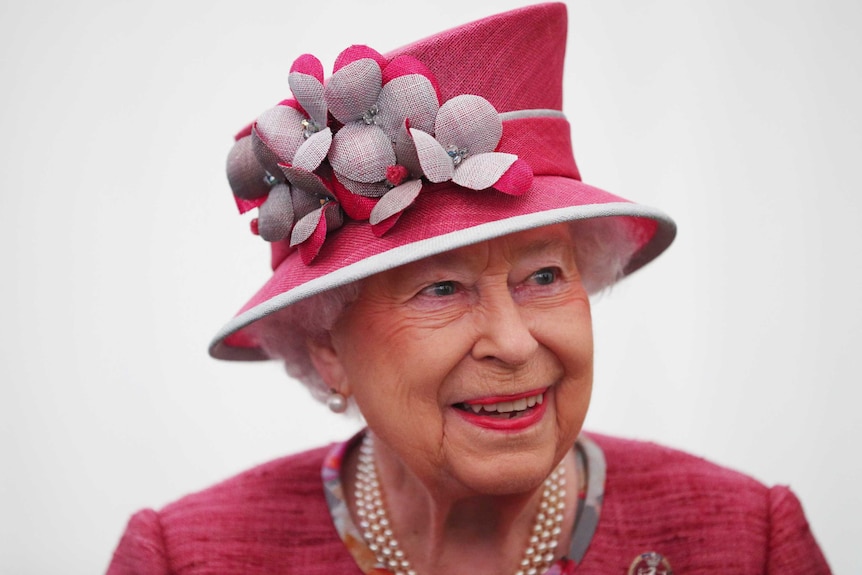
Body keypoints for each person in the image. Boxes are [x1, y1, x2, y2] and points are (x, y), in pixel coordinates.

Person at [106, 4, 830, 574]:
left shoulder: (744, 542)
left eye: (544, 275)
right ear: (327, 347)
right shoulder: (186, 558)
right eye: (440, 289)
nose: (515, 343)